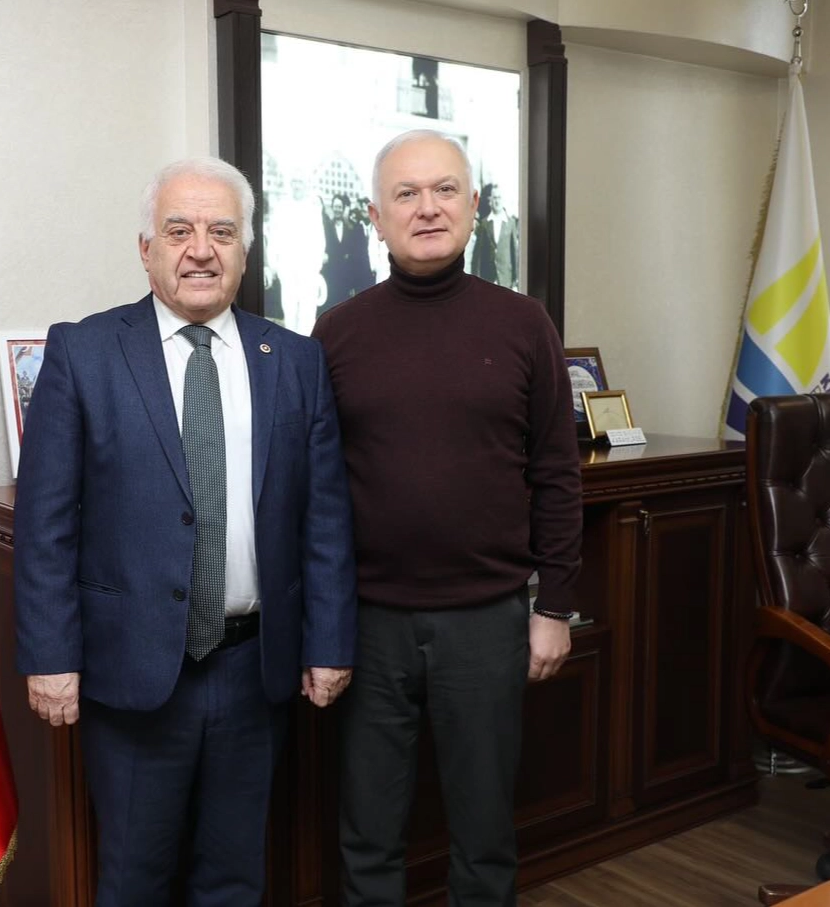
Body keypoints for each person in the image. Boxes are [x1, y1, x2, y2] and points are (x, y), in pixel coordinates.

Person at [12, 156, 357, 907]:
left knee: (234, 877)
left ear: (244, 251)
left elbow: (325, 517)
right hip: (131, 671)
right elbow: (44, 524)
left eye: (221, 232)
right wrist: (50, 655)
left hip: (254, 669)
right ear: (146, 249)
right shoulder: (84, 353)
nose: (200, 249)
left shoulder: (294, 360)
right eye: (178, 231)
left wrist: (329, 641)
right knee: (133, 879)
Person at [312, 129, 582, 906]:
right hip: (366, 623)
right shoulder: (335, 332)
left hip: (487, 620)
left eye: (444, 190)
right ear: (375, 216)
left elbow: (556, 473)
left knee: (484, 831)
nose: (426, 208)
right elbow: (315, 488)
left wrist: (554, 607)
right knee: (367, 831)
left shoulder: (524, 323)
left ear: (474, 204)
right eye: (405, 193)